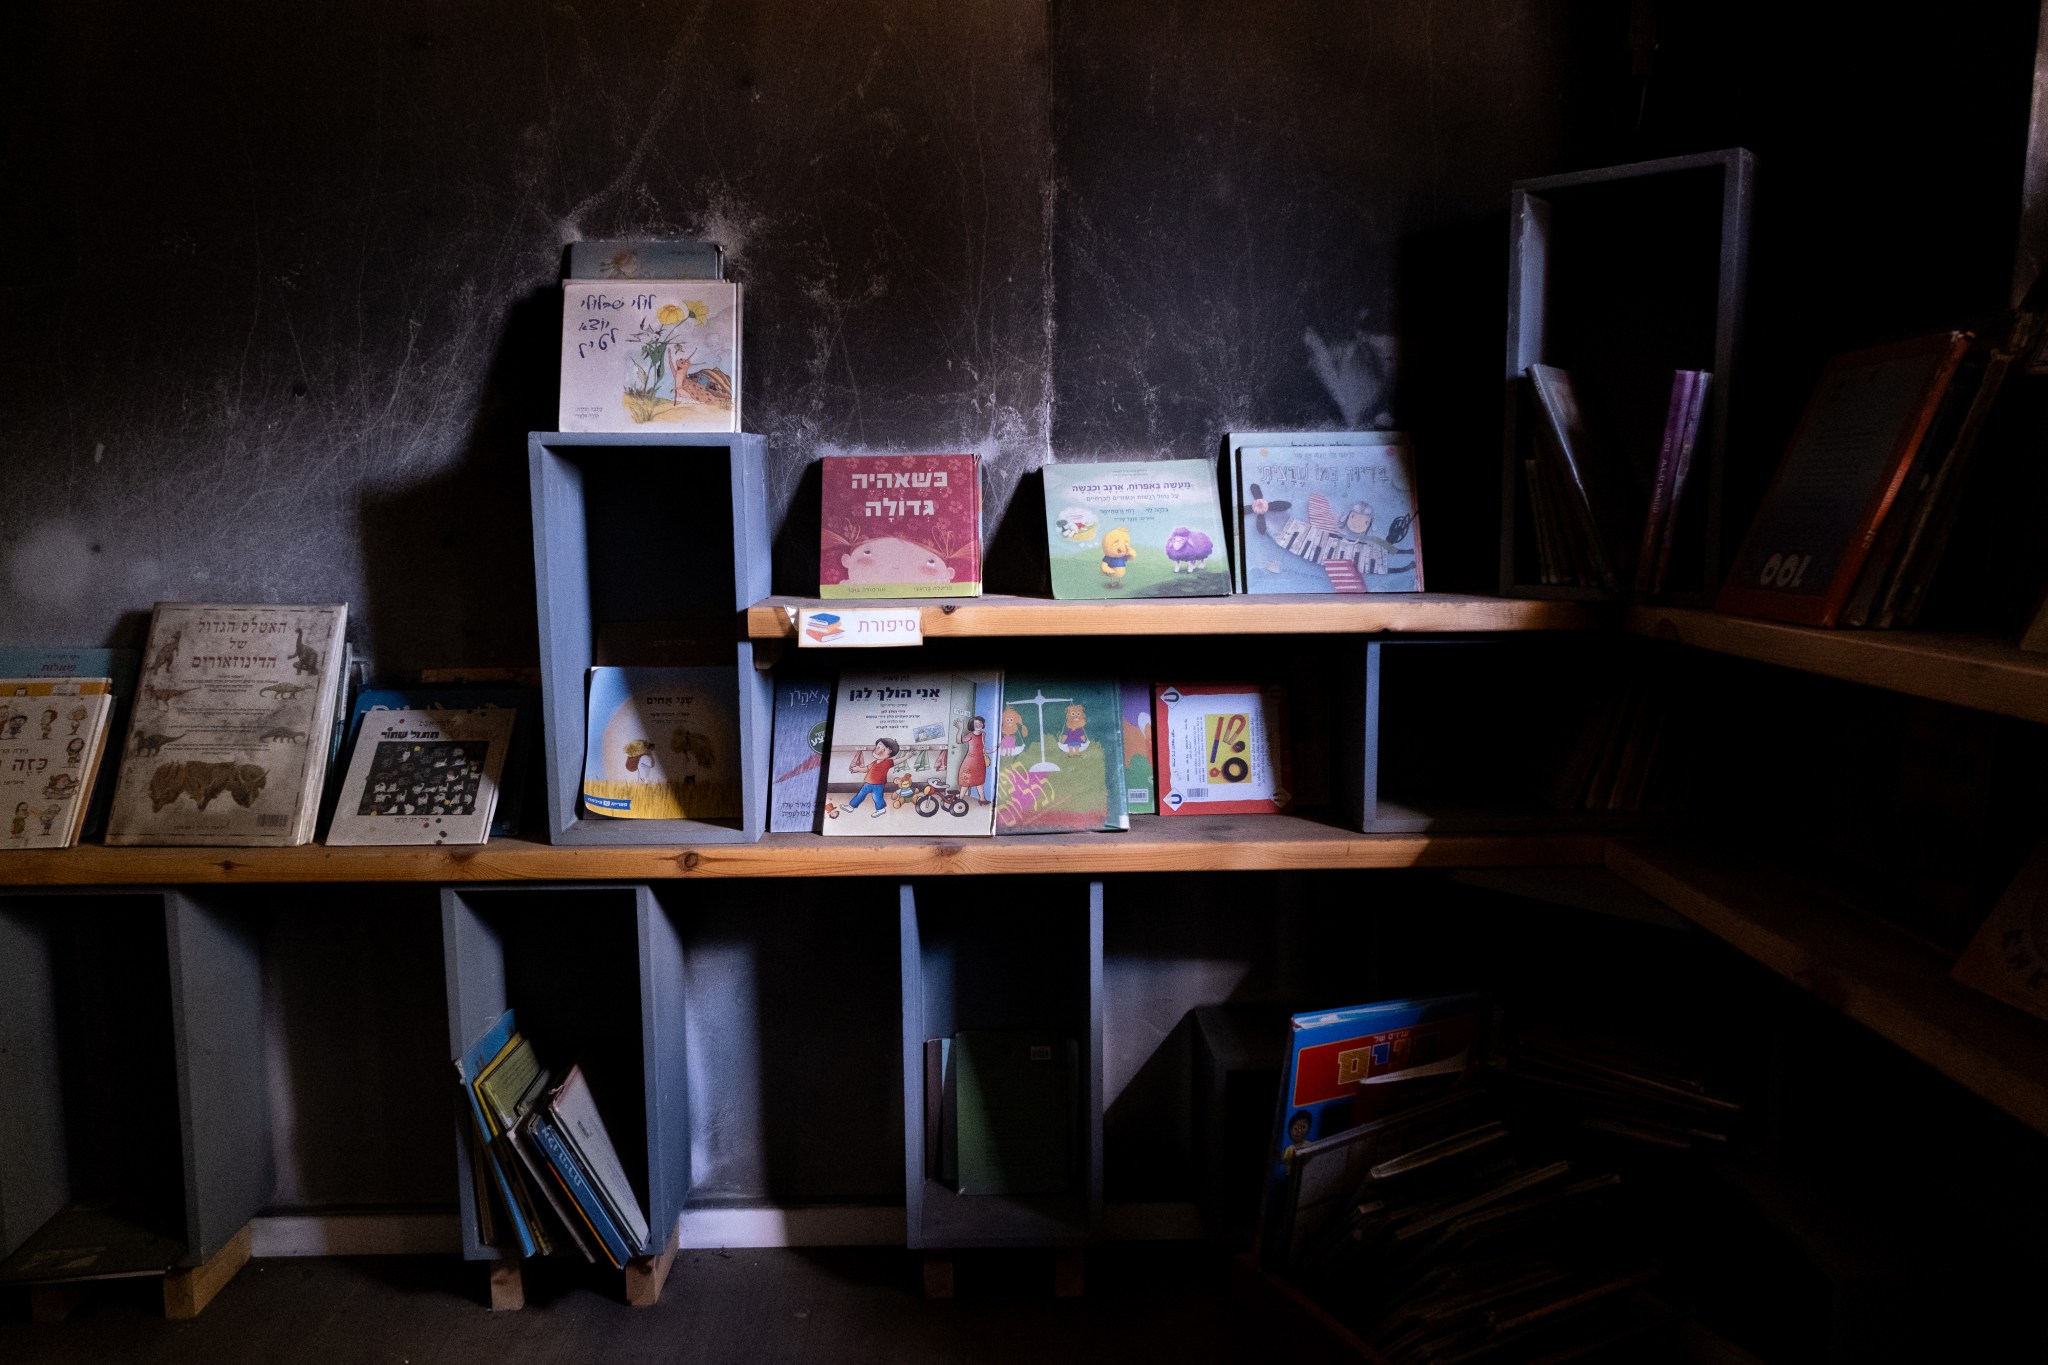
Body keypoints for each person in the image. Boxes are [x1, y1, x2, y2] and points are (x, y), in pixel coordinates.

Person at [848, 737, 901, 816]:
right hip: (868, 783)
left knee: (877, 798)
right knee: (860, 795)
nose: (878, 750)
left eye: (883, 749)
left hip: (878, 784)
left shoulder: (888, 762)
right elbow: (866, 769)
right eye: (878, 747)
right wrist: (858, 769)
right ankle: (851, 806)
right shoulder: (874, 762)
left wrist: (907, 756)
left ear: (890, 751)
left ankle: (881, 809)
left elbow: (897, 761)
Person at [956, 715, 988, 802]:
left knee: (980, 780)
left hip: (980, 761)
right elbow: (959, 741)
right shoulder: (970, 735)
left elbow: (982, 748)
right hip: (970, 762)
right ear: (972, 725)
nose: (978, 725)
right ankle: (960, 799)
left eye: (980, 723)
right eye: (976, 723)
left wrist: (994, 749)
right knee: (966, 781)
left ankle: (982, 799)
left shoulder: (983, 734)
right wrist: (960, 729)